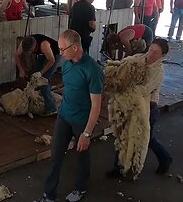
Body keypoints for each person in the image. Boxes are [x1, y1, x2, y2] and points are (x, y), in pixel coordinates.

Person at [35, 30, 103, 202]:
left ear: (75, 47)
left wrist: (87, 134)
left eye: (63, 49)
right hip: (64, 116)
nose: (60, 53)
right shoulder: (66, 63)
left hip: (81, 121)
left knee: (81, 155)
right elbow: (70, 87)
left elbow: (96, 105)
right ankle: (49, 195)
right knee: (55, 156)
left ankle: (80, 188)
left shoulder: (93, 71)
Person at [106, 38, 173, 178]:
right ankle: (117, 168)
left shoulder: (157, 71)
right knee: (122, 134)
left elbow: (143, 90)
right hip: (128, 105)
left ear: (162, 56)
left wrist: (125, 85)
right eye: (150, 50)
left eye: (156, 53)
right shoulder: (138, 58)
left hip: (147, 109)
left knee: (146, 139)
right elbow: (123, 65)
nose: (151, 54)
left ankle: (165, 158)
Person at [16, 34, 61, 114]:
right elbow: (17, 55)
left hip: (54, 55)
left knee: (44, 80)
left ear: (34, 47)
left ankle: (52, 108)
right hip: (42, 54)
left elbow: (51, 60)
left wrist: (40, 73)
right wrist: (21, 70)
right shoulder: (24, 43)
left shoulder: (44, 45)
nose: (29, 53)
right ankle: (41, 98)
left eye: (30, 51)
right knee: (34, 76)